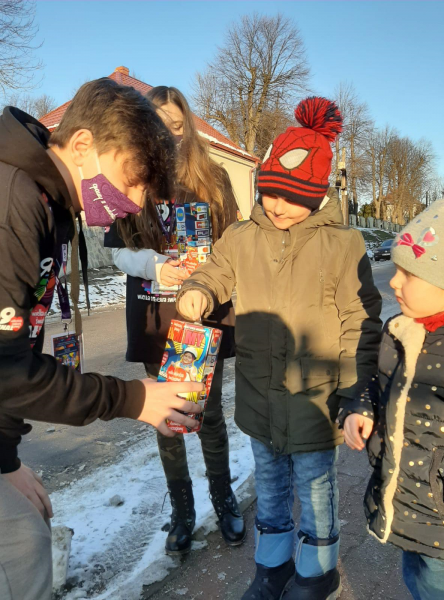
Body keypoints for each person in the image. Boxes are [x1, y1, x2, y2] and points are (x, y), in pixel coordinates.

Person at [0, 78, 204, 600]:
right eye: (132, 183)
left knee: (24, 534)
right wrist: (134, 398)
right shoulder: (12, 205)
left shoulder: (46, 201)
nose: (134, 205)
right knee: (19, 549)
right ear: (83, 145)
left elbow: (10, 351)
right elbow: (5, 372)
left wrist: (5, 458)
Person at [177, 97, 383, 600]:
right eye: (270, 193)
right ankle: (271, 568)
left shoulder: (343, 244)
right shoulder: (241, 236)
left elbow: (361, 321)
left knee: (316, 489)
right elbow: (217, 269)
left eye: (291, 198)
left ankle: (316, 572)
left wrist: (357, 394)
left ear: (315, 197)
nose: (276, 206)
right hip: (258, 394)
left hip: (318, 399)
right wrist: (199, 291)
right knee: (268, 486)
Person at [104, 86, 246, 555]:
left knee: (208, 417)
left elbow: (235, 245)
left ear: (189, 128)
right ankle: (182, 509)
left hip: (204, 311)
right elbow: (114, 251)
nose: (168, 134)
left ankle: (223, 498)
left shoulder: (213, 178)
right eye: (158, 125)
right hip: (153, 313)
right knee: (165, 414)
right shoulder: (129, 180)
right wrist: (153, 263)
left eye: (177, 125)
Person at [343, 200, 444, 600]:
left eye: (410, 273)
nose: (395, 283)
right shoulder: (401, 330)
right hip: (405, 504)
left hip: (438, 517)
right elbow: (375, 381)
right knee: (416, 578)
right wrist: (360, 408)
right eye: (396, 270)